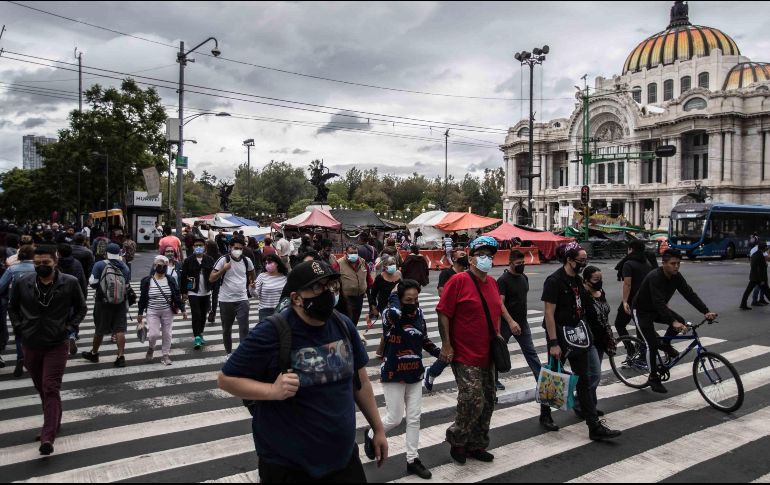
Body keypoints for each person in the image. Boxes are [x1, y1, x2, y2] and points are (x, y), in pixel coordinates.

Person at [217, 260, 388, 482]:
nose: (327, 293)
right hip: (288, 465)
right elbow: (226, 379)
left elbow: (361, 383)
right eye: (317, 287)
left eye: (330, 286)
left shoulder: (343, 325)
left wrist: (378, 429)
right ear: (296, 298)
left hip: (343, 458)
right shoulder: (272, 330)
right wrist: (272, 391)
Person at [7, 246, 87, 456]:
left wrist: (69, 328)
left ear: (55, 262)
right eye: (37, 263)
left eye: (46, 263)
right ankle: (54, 421)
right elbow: (12, 307)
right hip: (30, 342)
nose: (41, 266)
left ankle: (47, 436)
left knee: (50, 386)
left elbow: (81, 308)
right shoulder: (23, 282)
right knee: (42, 388)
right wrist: (19, 327)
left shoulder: (70, 282)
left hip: (57, 343)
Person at [542, 242, 621, 440]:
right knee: (553, 375)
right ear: (569, 260)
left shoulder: (577, 281)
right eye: (581, 260)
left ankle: (594, 426)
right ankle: (545, 414)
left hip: (577, 335)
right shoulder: (554, 281)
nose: (584, 264)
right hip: (559, 335)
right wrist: (554, 343)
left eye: (586, 260)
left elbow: (586, 308)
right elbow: (549, 314)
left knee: (584, 380)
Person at [364, 279, 439, 480]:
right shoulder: (389, 314)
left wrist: (439, 353)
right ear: (398, 298)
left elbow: (423, 338)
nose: (413, 303)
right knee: (395, 418)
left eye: (416, 299)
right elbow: (396, 313)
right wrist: (394, 293)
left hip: (415, 372)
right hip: (393, 372)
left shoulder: (419, 313)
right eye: (408, 300)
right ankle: (371, 434)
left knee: (414, 418)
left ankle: (412, 459)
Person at [436, 236, 502, 464]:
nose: (486, 259)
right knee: (472, 399)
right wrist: (446, 344)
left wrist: (499, 334)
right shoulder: (458, 281)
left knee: (488, 401)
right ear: (471, 258)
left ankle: (477, 444)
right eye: (481, 254)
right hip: (464, 353)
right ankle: (458, 439)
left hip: (488, 353)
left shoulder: (492, 283)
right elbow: (443, 313)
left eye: (490, 255)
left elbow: (495, 310)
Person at [633, 248, 717, 393]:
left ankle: (665, 344)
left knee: (680, 320)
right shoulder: (655, 277)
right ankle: (653, 378)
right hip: (642, 311)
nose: (676, 266)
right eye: (673, 263)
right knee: (651, 344)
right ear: (664, 263)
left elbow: (689, 294)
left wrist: (705, 311)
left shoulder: (676, 276)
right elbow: (658, 302)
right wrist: (672, 322)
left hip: (657, 309)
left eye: (678, 263)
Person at [495, 249, 558, 430]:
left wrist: (519, 322)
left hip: (522, 323)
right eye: (518, 263)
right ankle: (493, 381)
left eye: (523, 263)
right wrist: (510, 322)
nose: (521, 266)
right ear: (510, 262)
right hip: (507, 324)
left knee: (532, 355)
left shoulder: (524, 278)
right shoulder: (503, 280)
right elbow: (499, 304)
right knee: (498, 353)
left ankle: (542, 383)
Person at [573, 266, 616, 420]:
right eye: (596, 279)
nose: (599, 282)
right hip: (588, 340)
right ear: (586, 280)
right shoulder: (583, 296)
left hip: (602, 338)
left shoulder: (600, 292)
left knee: (592, 375)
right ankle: (581, 404)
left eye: (600, 279)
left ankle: (590, 406)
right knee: (595, 375)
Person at [82, 243, 131, 368]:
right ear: (119, 253)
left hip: (103, 302)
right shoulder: (125, 267)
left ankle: (94, 353)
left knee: (99, 329)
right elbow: (126, 286)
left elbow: (93, 283)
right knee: (119, 330)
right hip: (120, 302)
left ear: (106, 253)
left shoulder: (99, 265)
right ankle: (120, 357)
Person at [210, 237, 256, 357]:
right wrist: (223, 269)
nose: (238, 250)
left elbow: (252, 272)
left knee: (244, 329)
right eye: (236, 248)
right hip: (226, 300)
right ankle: (229, 353)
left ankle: (242, 354)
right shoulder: (223, 260)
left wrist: (252, 282)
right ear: (230, 247)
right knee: (227, 329)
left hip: (242, 299)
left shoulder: (246, 260)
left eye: (241, 248)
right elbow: (211, 278)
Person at [138, 255, 187, 365]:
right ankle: (151, 348)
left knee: (167, 334)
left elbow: (176, 296)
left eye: (165, 266)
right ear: (155, 266)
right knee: (153, 334)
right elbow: (143, 298)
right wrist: (140, 312)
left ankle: (165, 355)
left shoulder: (170, 280)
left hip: (167, 311)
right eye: (160, 265)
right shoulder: (146, 281)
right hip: (152, 311)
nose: (162, 268)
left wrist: (183, 309)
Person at [0, 244, 36, 378]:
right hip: (37, 304)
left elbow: (1, 286)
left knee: (19, 331)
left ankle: (21, 357)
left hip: (17, 304)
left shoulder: (12, 269)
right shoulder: (38, 268)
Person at [614, 239, 654, 352]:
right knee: (640, 326)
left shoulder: (628, 263)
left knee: (619, 324)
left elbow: (627, 284)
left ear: (630, 249)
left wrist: (625, 301)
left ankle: (631, 350)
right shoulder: (647, 262)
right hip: (646, 299)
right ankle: (643, 350)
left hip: (632, 300)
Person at [180, 237, 215, 350]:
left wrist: (214, 289)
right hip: (193, 292)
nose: (198, 247)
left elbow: (214, 275)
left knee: (203, 314)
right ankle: (197, 337)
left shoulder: (209, 259)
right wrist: (184, 292)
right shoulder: (188, 260)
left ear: (204, 247)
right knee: (196, 314)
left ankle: (200, 332)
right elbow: (183, 277)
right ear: (193, 247)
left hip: (206, 291)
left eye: (200, 245)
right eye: (196, 246)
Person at [56, 243, 88, 355]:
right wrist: (83, 296)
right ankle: (72, 335)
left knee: (60, 317)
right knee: (74, 316)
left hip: (59, 295)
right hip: (74, 294)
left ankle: (62, 337)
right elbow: (82, 281)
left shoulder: (56, 263)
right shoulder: (76, 263)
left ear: (59, 253)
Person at [369, 255, 402, 358]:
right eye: (390, 264)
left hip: (398, 306)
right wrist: (373, 307)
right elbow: (372, 294)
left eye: (394, 264)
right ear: (384, 266)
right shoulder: (380, 278)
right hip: (385, 308)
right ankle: (384, 351)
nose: (393, 266)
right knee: (388, 329)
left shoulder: (399, 274)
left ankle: (388, 350)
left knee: (397, 329)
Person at [337, 244, 370, 326]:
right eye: (351, 253)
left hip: (359, 296)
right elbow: (334, 281)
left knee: (356, 317)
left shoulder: (362, 262)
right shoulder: (339, 263)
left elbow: (368, 278)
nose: (354, 255)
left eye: (355, 253)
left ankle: (352, 330)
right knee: (347, 320)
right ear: (346, 253)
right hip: (346, 298)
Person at [255, 254, 288, 321]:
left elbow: (288, 294)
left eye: (269, 262)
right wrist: (252, 288)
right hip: (265, 310)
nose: (267, 265)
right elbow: (255, 294)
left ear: (277, 263)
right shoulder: (261, 276)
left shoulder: (285, 277)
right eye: (266, 263)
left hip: (281, 309)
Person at [740, 241, 770, 310]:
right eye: (766, 247)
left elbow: (753, 266)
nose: (767, 248)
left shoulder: (754, 254)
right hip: (759, 278)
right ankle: (746, 303)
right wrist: (762, 280)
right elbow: (760, 269)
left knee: (747, 291)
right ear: (763, 248)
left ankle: (743, 304)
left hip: (753, 277)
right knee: (767, 292)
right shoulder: (760, 256)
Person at [748, 240, 770, 306]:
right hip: (759, 272)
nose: (766, 248)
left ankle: (761, 299)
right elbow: (767, 258)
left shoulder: (755, 250)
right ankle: (755, 300)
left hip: (758, 271)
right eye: (766, 246)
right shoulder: (758, 251)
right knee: (759, 286)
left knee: (763, 286)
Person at [205, 240, 222, 324]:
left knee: (207, 295)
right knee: (215, 296)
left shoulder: (205, 256)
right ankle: (213, 313)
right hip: (217, 278)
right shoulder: (220, 256)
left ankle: (209, 310)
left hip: (207, 278)